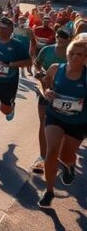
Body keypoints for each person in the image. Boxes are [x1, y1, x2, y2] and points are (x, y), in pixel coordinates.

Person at [37, 38, 87, 209]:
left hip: (78, 122)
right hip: (55, 116)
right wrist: (46, 91)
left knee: (65, 156)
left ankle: (69, 166)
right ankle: (49, 191)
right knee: (51, 152)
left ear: (85, 57)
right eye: (71, 53)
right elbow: (42, 82)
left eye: (78, 54)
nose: (73, 57)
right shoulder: (56, 68)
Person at [0, 18, 33, 149]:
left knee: (5, 110)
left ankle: (11, 107)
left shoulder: (17, 45)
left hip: (9, 81)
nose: (2, 30)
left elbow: (28, 62)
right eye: (1, 27)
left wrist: (11, 64)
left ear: (11, 30)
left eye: (5, 28)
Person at [30, 29, 70, 174]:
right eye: (59, 37)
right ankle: (42, 156)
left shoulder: (72, 54)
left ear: (69, 40)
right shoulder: (47, 50)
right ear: (56, 37)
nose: (61, 40)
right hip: (46, 90)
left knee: (62, 127)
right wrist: (39, 73)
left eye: (65, 38)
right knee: (44, 123)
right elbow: (37, 64)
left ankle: (58, 156)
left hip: (66, 96)